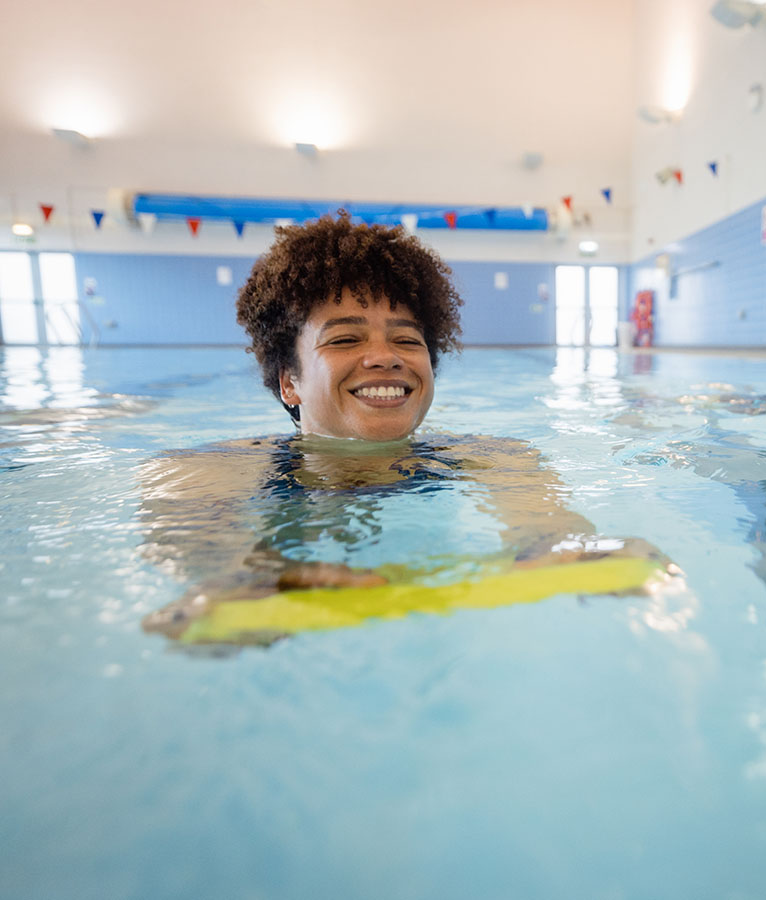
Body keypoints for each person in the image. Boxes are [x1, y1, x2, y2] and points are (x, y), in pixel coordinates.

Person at [140, 213, 674, 645]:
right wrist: (255, 577)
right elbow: (203, 553)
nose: (384, 358)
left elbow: (550, 532)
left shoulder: (494, 457)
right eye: (345, 339)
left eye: (408, 340)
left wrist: (575, 550)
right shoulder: (208, 469)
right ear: (289, 384)